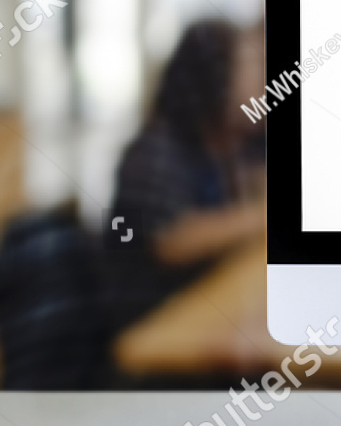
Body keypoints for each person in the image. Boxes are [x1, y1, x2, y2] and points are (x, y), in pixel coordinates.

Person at [106, 19, 266, 331]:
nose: (263, 81)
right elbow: (172, 239)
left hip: (211, 319)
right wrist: (260, 218)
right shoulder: (155, 151)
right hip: (151, 333)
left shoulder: (225, 145)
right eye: (252, 67)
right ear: (213, 79)